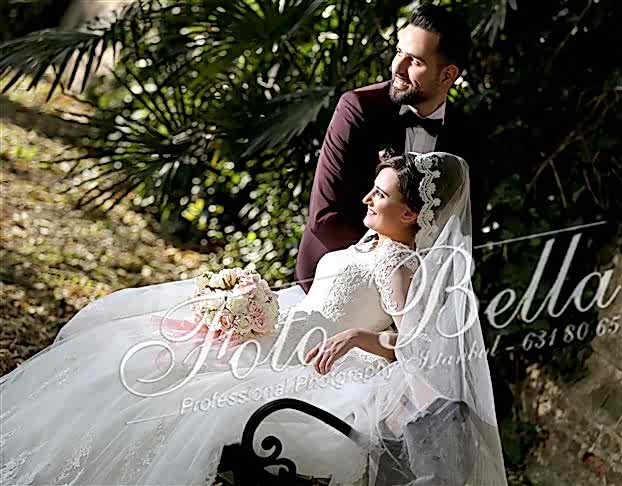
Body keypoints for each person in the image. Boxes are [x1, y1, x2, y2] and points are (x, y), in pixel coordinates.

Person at [0, 152, 506, 486]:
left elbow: (414, 345)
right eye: (373, 189)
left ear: (412, 214)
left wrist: (357, 336)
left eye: (381, 195)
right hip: (281, 331)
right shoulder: (374, 242)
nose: (367, 198)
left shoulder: (398, 263)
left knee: (177, 397)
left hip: (300, 360)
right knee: (147, 356)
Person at [295, 4, 484, 293]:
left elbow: (463, 228)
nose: (398, 68)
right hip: (335, 278)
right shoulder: (357, 108)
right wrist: (392, 274)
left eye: (415, 61)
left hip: (419, 289)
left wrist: (421, 287)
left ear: (448, 75)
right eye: (398, 53)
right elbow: (326, 216)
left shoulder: (467, 134)